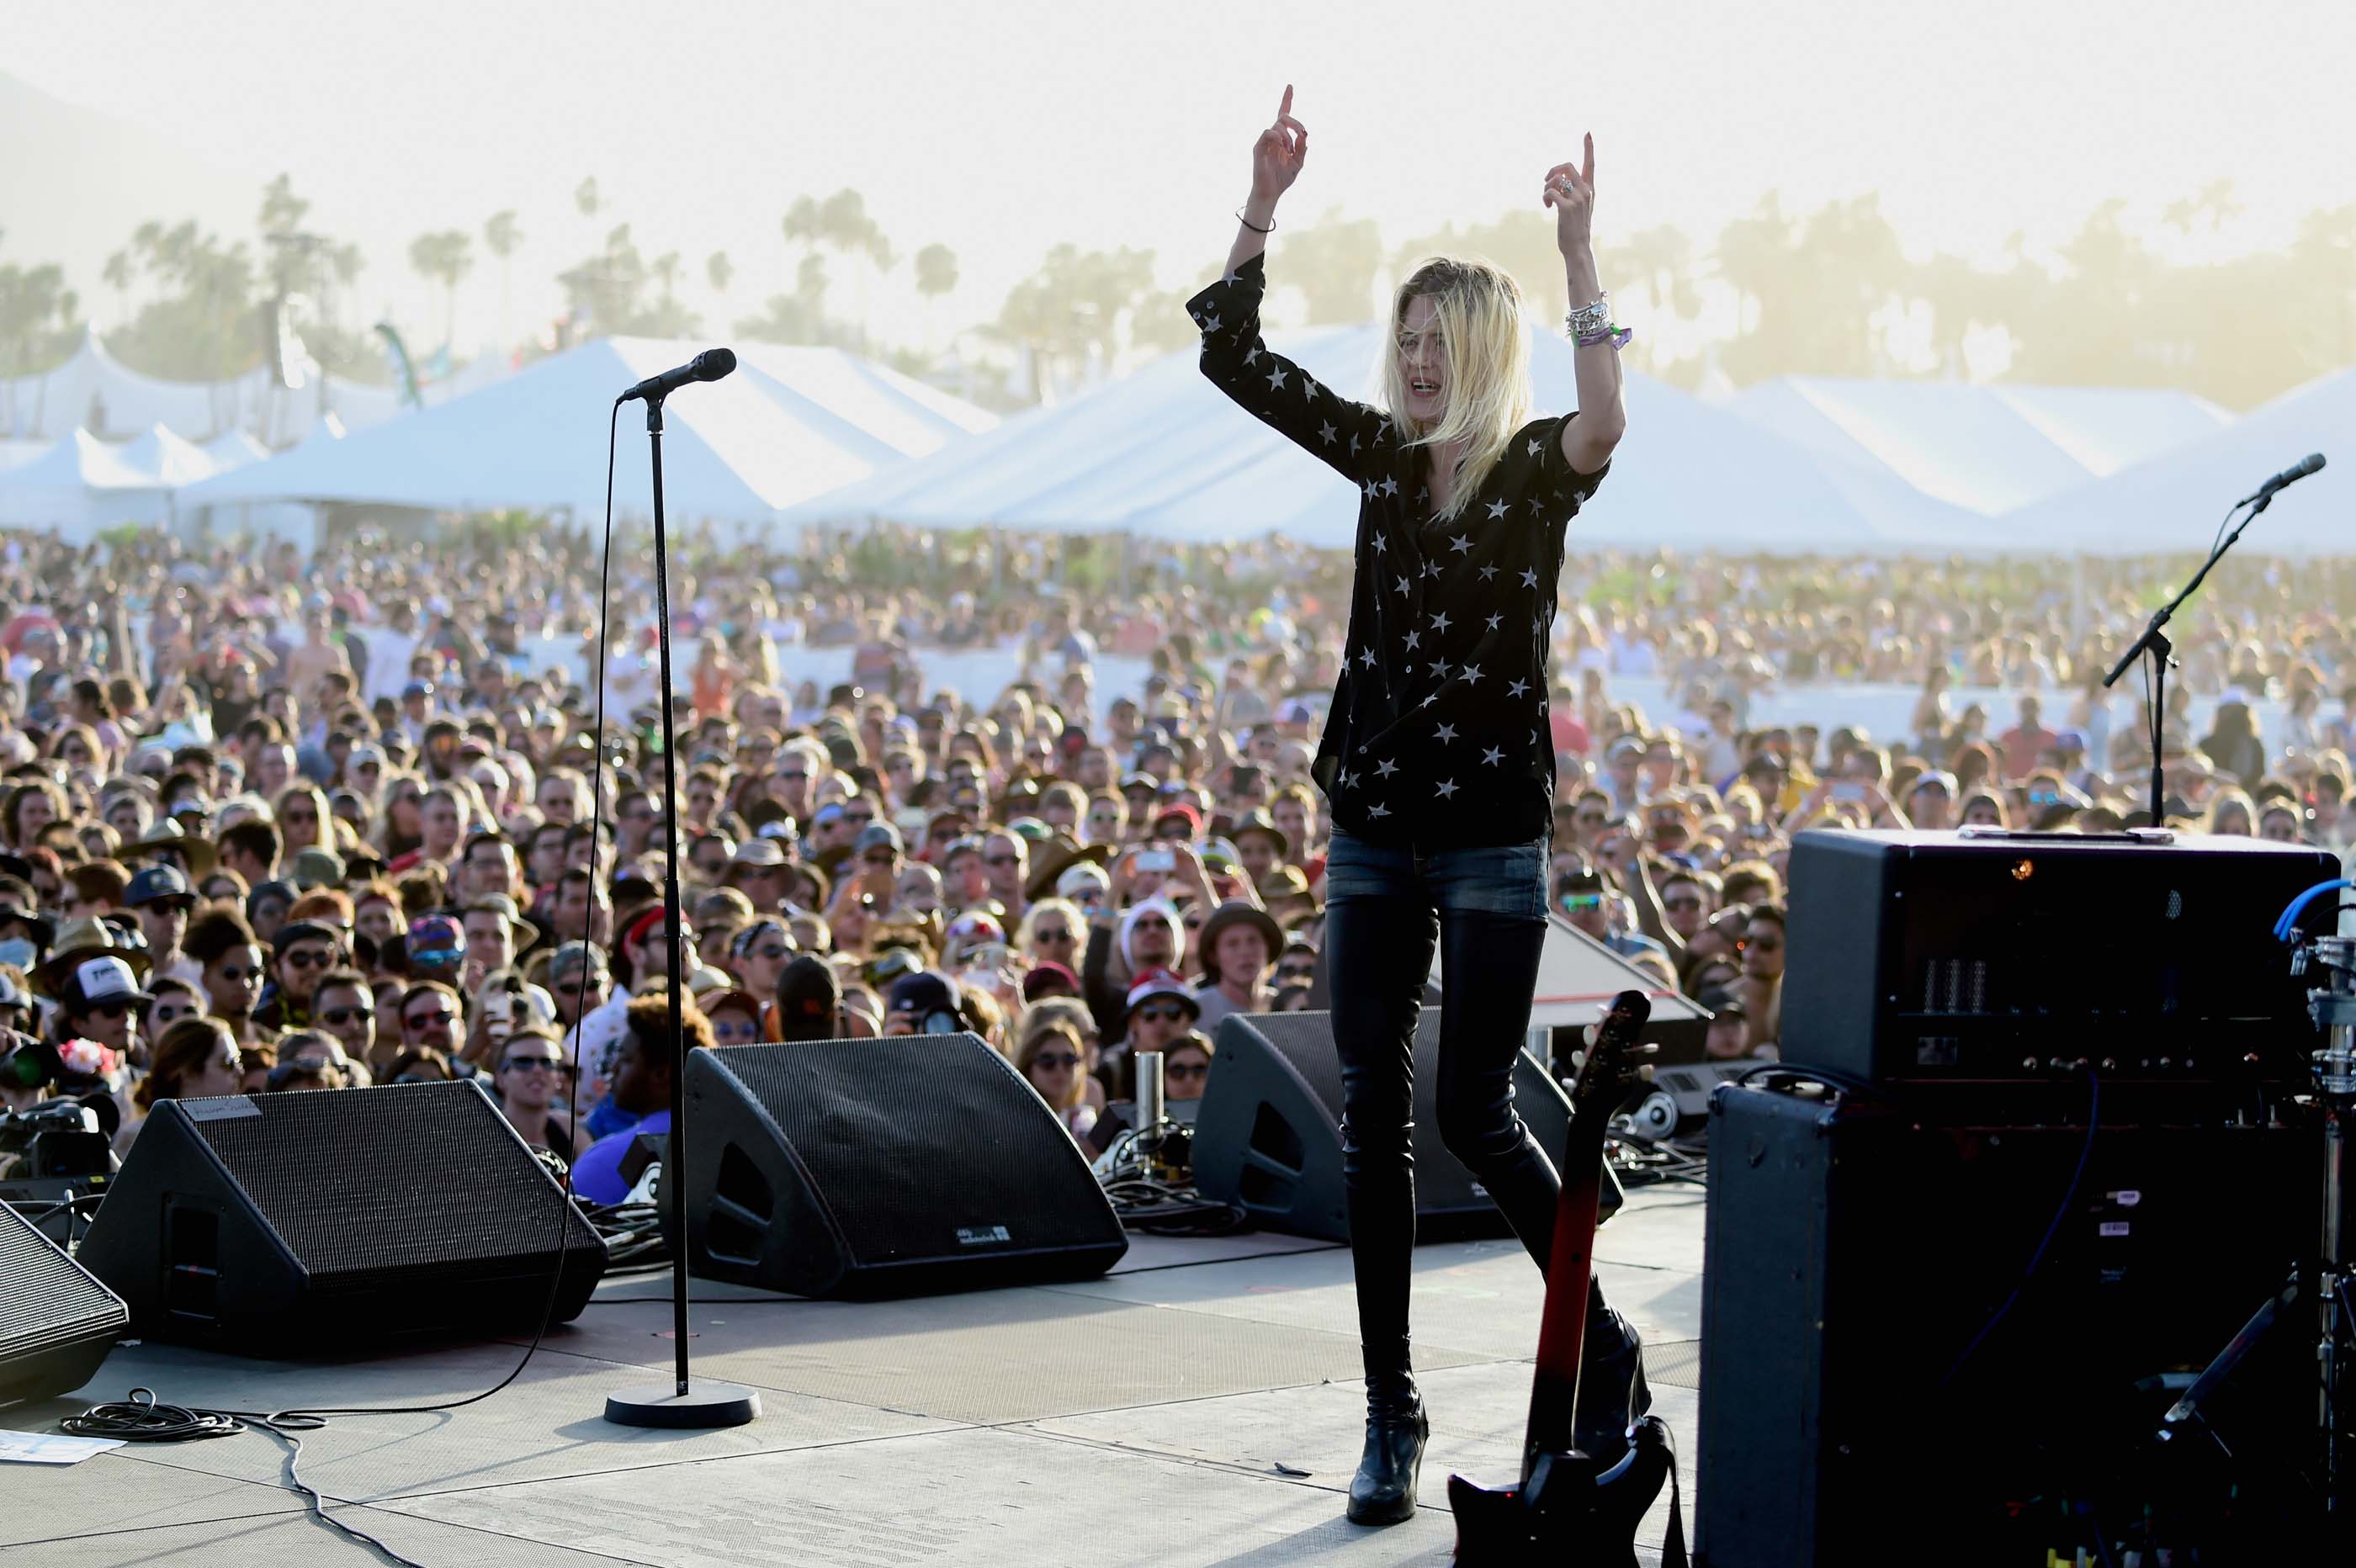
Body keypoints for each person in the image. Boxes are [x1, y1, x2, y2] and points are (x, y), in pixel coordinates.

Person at [1190, 88, 1640, 1524]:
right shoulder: (1384, 458)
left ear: (1487, 354)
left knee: (1479, 1105)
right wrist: (1262, 203)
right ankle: (1392, 1408)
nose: (1419, 363)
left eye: (1443, 345)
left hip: (1496, 825)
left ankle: (1602, 1334)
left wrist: (1577, 255)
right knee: (1371, 1108)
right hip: (1376, 817)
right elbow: (1235, 358)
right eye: (1407, 342)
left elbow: (1609, 414)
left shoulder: (1531, 474)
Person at [571, 994, 715, 1204]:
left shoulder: (603, 1161)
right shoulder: (737, 1145)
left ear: (662, 1074)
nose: (614, 1068)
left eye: (627, 1058)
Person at [491, 1026, 573, 1159]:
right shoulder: (482, 1136)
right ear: (500, 1078)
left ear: (559, 1077)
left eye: (547, 1063)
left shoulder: (570, 1132)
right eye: (523, 1062)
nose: (537, 1070)